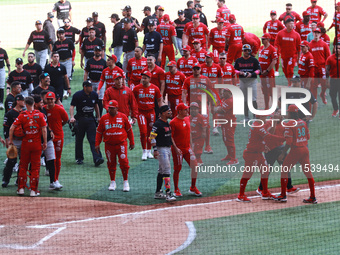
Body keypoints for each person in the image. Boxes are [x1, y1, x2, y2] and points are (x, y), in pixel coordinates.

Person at [236, 114, 285, 202]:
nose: (266, 118)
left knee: (265, 171)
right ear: (259, 118)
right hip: (251, 155)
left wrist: (263, 146)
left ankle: (265, 192)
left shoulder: (258, 125)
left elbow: (262, 136)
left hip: (258, 153)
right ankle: (241, 195)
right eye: (264, 117)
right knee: (247, 175)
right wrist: (284, 138)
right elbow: (269, 137)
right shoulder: (257, 127)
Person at [274, 105, 317, 204]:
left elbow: (288, 142)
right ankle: (313, 197)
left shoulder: (290, 124)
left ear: (290, 113)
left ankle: (283, 195)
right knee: (308, 173)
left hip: (296, 151)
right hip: (305, 150)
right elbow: (308, 137)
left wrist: (283, 153)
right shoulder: (303, 122)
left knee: (284, 170)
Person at [10, 96, 47, 197]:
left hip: (25, 144)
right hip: (36, 144)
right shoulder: (40, 115)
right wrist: (45, 142)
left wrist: (11, 141)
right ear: (34, 103)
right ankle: (33, 191)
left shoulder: (22, 115)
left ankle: (21, 189)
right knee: (35, 168)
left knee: (23, 166)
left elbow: (11, 128)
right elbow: (44, 129)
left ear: (26, 104)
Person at [95, 100, 134, 192]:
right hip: (109, 145)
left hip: (121, 144)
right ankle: (112, 182)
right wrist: (97, 143)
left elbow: (129, 130)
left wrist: (132, 142)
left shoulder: (123, 117)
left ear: (117, 108)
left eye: (112, 108)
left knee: (124, 162)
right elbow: (99, 132)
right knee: (111, 163)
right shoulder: (104, 118)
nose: (110, 110)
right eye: (109, 108)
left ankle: (125, 181)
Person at [182, 62, 215, 154]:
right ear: (192, 70)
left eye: (198, 69)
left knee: (206, 125)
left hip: (203, 105)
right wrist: (184, 104)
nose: (196, 70)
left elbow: (210, 92)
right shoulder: (188, 80)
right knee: (191, 125)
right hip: (192, 106)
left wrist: (212, 105)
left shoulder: (206, 79)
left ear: (200, 69)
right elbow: (184, 93)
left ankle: (207, 146)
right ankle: (190, 146)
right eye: (194, 69)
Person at [170, 103, 202, 197]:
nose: (187, 111)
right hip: (178, 150)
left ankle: (193, 187)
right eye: (185, 110)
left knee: (195, 166)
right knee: (177, 169)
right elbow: (171, 137)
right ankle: (176, 189)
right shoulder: (173, 122)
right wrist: (175, 148)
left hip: (187, 148)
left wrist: (191, 146)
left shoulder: (187, 118)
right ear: (179, 111)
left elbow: (189, 133)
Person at [69, 81, 104, 166]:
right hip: (80, 120)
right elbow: (72, 106)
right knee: (79, 139)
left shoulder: (94, 95)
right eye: (90, 86)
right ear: (85, 87)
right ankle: (79, 158)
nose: (92, 88)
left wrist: (98, 116)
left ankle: (97, 158)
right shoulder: (77, 95)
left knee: (93, 140)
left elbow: (96, 105)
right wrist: (72, 117)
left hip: (91, 119)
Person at [133, 71, 162, 160]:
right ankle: (144, 151)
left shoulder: (155, 88)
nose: (143, 79)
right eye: (142, 78)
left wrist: (161, 112)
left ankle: (149, 151)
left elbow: (159, 100)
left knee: (151, 133)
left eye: (145, 78)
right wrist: (133, 113)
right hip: (141, 113)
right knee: (143, 132)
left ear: (149, 79)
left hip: (151, 112)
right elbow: (133, 101)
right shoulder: (137, 88)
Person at [33, 95, 60, 190]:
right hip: (36, 141)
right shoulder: (31, 113)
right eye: (40, 102)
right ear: (35, 104)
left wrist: (51, 131)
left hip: (47, 140)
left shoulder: (43, 110)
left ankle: (53, 182)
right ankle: (30, 184)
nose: (43, 104)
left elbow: (46, 124)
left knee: (51, 160)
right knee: (32, 163)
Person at [150, 105, 177, 201]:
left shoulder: (167, 123)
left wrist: (175, 148)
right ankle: (168, 193)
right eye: (168, 111)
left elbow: (170, 137)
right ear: (162, 113)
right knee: (167, 170)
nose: (170, 112)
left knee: (161, 171)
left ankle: (158, 192)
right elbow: (152, 137)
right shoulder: (157, 124)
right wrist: (155, 150)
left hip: (167, 149)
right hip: (161, 149)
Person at [44, 92, 68, 188]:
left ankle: (55, 179)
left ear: (54, 99)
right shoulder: (44, 109)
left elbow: (66, 120)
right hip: (47, 138)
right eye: (48, 99)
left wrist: (58, 128)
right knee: (50, 158)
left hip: (58, 137)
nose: (50, 101)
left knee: (57, 158)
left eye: (51, 99)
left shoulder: (59, 109)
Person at [2, 94, 24, 187]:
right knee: (11, 161)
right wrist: (7, 139)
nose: (24, 102)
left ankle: (19, 180)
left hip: (24, 141)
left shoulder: (25, 113)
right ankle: (5, 180)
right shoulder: (10, 113)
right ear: (18, 101)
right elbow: (6, 128)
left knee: (23, 162)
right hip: (13, 141)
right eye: (22, 101)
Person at [234, 44, 261, 120]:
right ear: (242, 51)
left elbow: (259, 70)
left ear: (250, 51)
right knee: (245, 99)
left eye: (248, 50)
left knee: (253, 99)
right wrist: (240, 73)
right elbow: (234, 70)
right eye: (245, 50)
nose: (246, 52)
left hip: (252, 81)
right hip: (243, 81)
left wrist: (251, 74)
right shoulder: (238, 60)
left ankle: (255, 116)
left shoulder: (254, 60)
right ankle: (246, 117)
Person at [214, 89, 238, 165]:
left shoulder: (230, 101)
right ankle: (229, 155)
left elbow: (221, 110)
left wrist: (216, 109)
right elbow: (218, 106)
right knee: (225, 139)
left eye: (224, 92)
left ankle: (234, 159)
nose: (222, 93)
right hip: (224, 123)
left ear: (229, 93)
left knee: (229, 140)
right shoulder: (225, 99)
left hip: (229, 124)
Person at [275, 19, 301, 86]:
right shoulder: (280, 33)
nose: (292, 25)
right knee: (285, 71)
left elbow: (299, 48)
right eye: (290, 23)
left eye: (293, 23)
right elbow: (276, 45)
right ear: (286, 24)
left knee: (290, 70)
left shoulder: (296, 35)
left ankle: (290, 84)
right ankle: (290, 81)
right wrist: (275, 54)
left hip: (292, 56)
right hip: (283, 56)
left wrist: (298, 59)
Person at [309, 28, 331, 104]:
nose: (316, 34)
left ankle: (322, 94)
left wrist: (328, 68)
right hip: (313, 68)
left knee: (324, 84)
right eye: (315, 32)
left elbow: (328, 56)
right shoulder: (310, 45)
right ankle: (315, 101)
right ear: (313, 33)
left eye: (318, 32)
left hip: (322, 67)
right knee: (314, 85)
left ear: (320, 34)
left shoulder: (324, 44)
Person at [84, 46, 107, 115]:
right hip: (91, 82)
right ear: (94, 51)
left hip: (100, 82)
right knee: (90, 98)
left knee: (100, 100)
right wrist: (85, 82)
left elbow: (106, 73)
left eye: (99, 51)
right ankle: (90, 114)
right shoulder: (90, 61)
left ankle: (98, 116)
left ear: (101, 52)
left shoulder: (104, 62)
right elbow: (86, 72)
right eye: (96, 51)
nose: (98, 52)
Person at [258, 33, 278, 110]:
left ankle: (274, 107)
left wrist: (267, 70)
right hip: (262, 74)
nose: (262, 40)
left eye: (263, 39)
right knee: (265, 91)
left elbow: (274, 61)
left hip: (269, 74)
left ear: (268, 39)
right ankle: (266, 107)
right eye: (262, 39)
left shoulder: (272, 49)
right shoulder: (261, 48)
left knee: (271, 91)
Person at [263, 10, 285, 76]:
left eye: (274, 14)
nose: (273, 16)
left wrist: (280, 37)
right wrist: (265, 34)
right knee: (268, 54)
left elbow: (283, 29)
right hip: (270, 41)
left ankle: (276, 70)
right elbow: (264, 28)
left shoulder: (278, 23)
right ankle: (269, 68)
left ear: (276, 15)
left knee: (276, 55)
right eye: (272, 14)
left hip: (276, 42)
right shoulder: (268, 22)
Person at [189, 102, 207, 166]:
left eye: (195, 109)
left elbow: (204, 126)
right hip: (191, 137)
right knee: (192, 150)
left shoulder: (201, 117)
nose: (193, 110)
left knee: (197, 150)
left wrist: (204, 133)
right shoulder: (188, 117)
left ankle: (199, 161)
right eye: (192, 109)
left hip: (199, 138)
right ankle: (194, 161)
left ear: (198, 109)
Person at [326, 43, 340, 117]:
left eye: (339, 48)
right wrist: (326, 81)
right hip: (333, 80)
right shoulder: (330, 58)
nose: (337, 50)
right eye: (336, 48)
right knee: (332, 95)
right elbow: (327, 71)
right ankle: (335, 109)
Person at [0, 43, 10, 109]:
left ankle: (1, 103)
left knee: (1, 86)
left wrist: (9, 69)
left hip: (1, 69)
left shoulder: (3, 51)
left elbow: (7, 60)